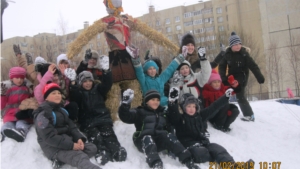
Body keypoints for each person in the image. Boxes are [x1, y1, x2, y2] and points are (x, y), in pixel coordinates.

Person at [67, 0, 182, 121]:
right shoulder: (105, 21)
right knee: (112, 94)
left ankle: (136, 118)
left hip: (128, 58)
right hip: (115, 60)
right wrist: (72, 52)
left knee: (134, 92)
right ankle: (112, 120)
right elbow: (86, 35)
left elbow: (150, 33)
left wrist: (171, 46)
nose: (117, 3)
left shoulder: (127, 19)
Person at [167, 87, 254, 168]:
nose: (191, 109)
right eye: (189, 106)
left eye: (194, 106)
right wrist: (173, 102)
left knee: (218, 149)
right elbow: (173, 114)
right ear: (183, 107)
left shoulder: (200, 116)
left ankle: (232, 166)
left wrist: (225, 97)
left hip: (203, 143)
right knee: (202, 152)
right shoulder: (180, 119)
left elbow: (214, 107)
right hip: (188, 146)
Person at [118, 89, 200, 169]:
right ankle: (156, 163)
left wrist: (172, 103)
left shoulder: (162, 112)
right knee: (148, 138)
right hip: (144, 141)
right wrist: (125, 105)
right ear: (146, 101)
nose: (156, 102)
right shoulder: (140, 112)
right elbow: (126, 117)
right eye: (153, 99)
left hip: (159, 140)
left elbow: (174, 119)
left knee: (169, 136)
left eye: (157, 100)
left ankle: (187, 160)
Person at [70, 58, 127, 166]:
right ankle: (101, 151)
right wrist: (73, 83)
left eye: (89, 81)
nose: (87, 84)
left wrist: (106, 71)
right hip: (88, 121)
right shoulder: (80, 93)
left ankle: (116, 150)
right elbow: (74, 96)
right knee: (95, 136)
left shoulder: (98, 89)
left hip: (102, 118)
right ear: (81, 83)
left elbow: (107, 84)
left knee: (108, 134)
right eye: (84, 82)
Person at [33, 82, 101, 169]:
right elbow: (49, 137)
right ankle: (60, 158)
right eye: (53, 93)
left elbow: (72, 127)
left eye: (59, 93)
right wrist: (72, 145)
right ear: (46, 97)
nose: (57, 95)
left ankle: (61, 161)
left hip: (66, 142)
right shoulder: (42, 115)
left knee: (92, 148)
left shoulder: (61, 110)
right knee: (79, 156)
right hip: (54, 148)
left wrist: (78, 139)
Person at [219, 31, 265, 122]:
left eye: (239, 44)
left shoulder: (244, 54)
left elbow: (253, 66)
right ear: (231, 46)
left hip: (242, 76)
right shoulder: (227, 54)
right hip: (231, 76)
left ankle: (249, 115)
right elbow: (222, 66)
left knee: (240, 95)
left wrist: (259, 76)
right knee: (224, 93)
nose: (238, 46)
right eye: (235, 44)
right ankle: (223, 113)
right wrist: (223, 79)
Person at [1, 67, 33, 142]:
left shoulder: (27, 88)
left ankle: (21, 132)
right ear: (12, 78)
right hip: (10, 113)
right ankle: (4, 132)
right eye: (17, 77)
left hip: (22, 113)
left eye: (21, 78)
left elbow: (31, 100)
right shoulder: (8, 89)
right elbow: (1, 106)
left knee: (21, 123)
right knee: (8, 124)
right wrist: (2, 95)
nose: (19, 80)